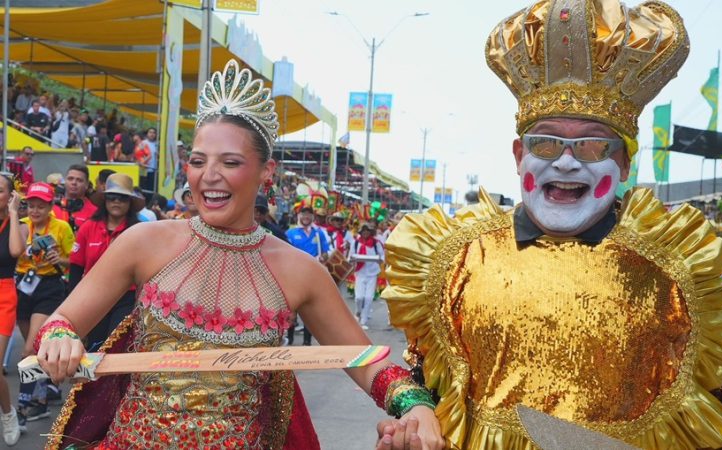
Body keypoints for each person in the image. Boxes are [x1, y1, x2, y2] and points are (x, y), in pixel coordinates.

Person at [381, 2, 722, 449]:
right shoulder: (456, 258)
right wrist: (410, 418)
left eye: (592, 146)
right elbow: (425, 375)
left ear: (624, 163)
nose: (566, 161)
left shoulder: (676, 267)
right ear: (520, 156)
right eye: (546, 143)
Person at [35, 59, 442, 450]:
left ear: (267, 171)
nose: (209, 176)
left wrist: (415, 405)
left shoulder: (300, 272)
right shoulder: (144, 242)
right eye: (198, 161)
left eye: (230, 162)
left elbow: (367, 361)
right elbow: (62, 321)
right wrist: (59, 339)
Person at [16, 182, 74, 427]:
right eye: (31, 206)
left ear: (50, 207)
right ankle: (45, 392)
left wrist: (59, 258)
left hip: (49, 287)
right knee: (36, 347)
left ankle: (24, 406)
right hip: (22, 285)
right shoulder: (21, 225)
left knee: (28, 350)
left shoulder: (61, 227)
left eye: (41, 206)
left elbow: (74, 259)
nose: (35, 211)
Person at [69, 174, 142, 349]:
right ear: (105, 201)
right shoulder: (88, 228)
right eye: (112, 197)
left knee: (116, 345)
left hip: (126, 298)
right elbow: (76, 267)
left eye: (122, 198)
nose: (116, 201)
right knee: (95, 345)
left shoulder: (139, 231)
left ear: (130, 203)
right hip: (93, 296)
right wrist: (71, 305)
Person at [0, 174, 23, 444]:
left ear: (10, 196)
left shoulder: (18, 224)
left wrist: (14, 213)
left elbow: (16, 250)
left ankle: (7, 413)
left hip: (4, 294)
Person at [285, 207, 329, 346]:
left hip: (312, 276)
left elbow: (326, 252)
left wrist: (323, 257)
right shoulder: (290, 233)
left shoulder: (319, 233)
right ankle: (290, 339)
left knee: (310, 309)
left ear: (312, 217)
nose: (306, 217)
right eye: (304, 214)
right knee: (293, 307)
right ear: (299, 216)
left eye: (309, 215)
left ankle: (307, 341)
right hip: (294, 276)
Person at [352, 224, 384, 330]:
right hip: (360, 273)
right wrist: (353, 259)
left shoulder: (375, 243)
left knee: (369, 298)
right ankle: (358, 312)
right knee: (359, 297)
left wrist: (379, 260)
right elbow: (351, 256)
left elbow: (382, 256)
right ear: (361, 232)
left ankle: (363, 321)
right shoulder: (356, 242)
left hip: (372, 273)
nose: (365, 232)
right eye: (363, 230)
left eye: (367, 231)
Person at [54, 164, 98, 232]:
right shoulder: (52, 207)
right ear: (65, 181)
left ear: (86, 185)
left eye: (79, 180)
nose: (74, 183)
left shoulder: (94, 213)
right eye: (70, 179)